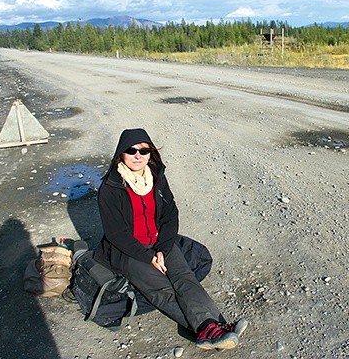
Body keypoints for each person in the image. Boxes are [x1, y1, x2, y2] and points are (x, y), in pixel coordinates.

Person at [95, 128, 247, 350]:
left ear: (151, 154)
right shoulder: (110, 187)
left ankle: (212, 330)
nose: (138, 156)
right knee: (162, 288)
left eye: (144, 151)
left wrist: (162, 250)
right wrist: (148, 257)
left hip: (159, 244)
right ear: (121, 154)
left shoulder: (156, 178)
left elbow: (170, 214)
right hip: (128, 251)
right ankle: (212, 329)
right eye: (131, 150)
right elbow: (116, 233)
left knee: (184, 278)